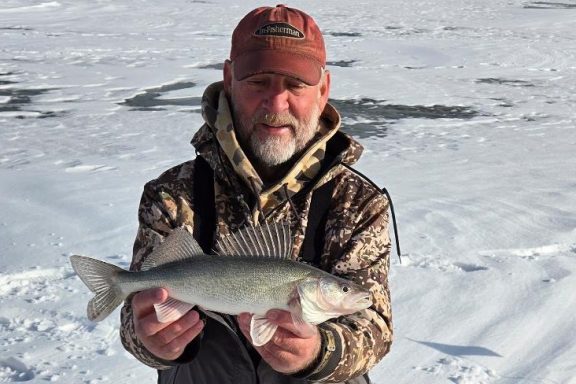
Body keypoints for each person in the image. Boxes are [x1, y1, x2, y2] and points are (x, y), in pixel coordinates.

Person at [120, 5, 393, 384]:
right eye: (258, 82)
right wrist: (151, 339)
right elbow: (136, 318)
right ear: (229, 79)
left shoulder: (358, 203)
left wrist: (318, 351)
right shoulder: (171, 196)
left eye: (295, 85)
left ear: (323, 89)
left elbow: (374, 327)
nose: (276, 104)